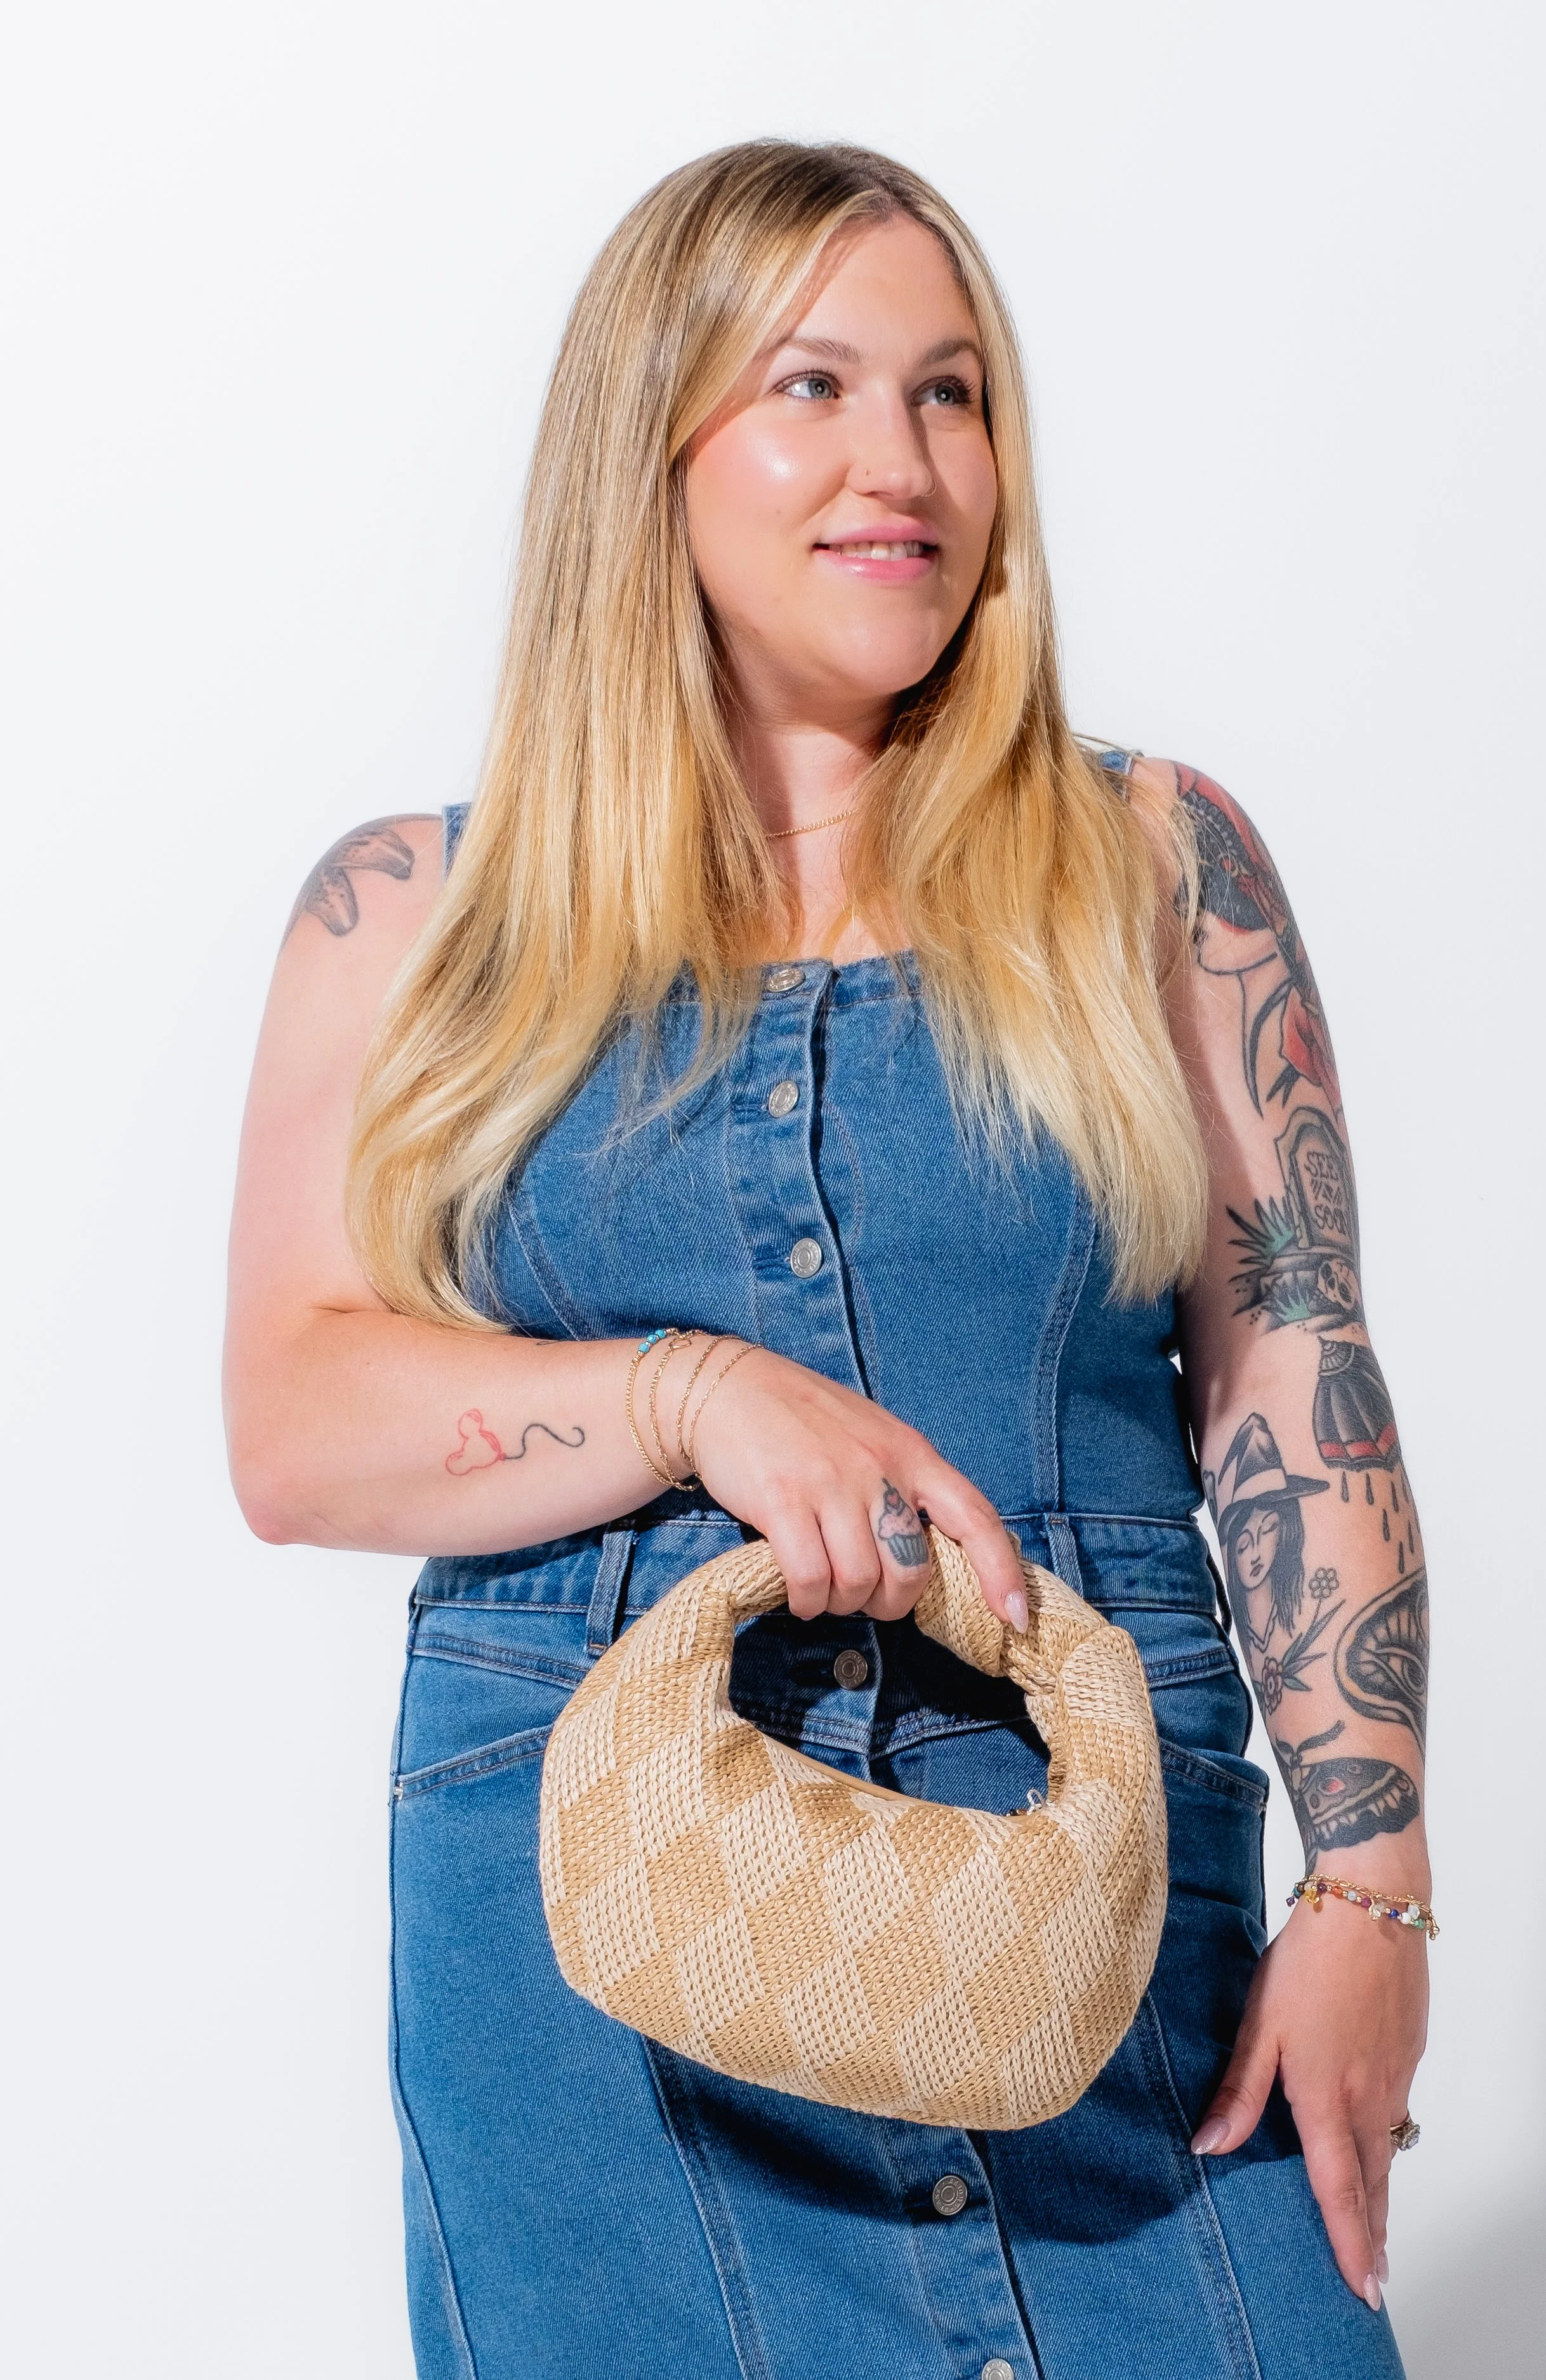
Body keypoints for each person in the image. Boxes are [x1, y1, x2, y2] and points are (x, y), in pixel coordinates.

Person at [224, 140, 1431, 2380]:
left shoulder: (1158, 865)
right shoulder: (412, 922)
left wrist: (1371, 1892)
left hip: (1106, 1906)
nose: (905, 465)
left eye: (955, 394)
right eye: (817, 386)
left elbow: (1291, 1372)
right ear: (651, 447)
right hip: (606, 1960)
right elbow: (293, 1421)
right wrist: (689, 1394)